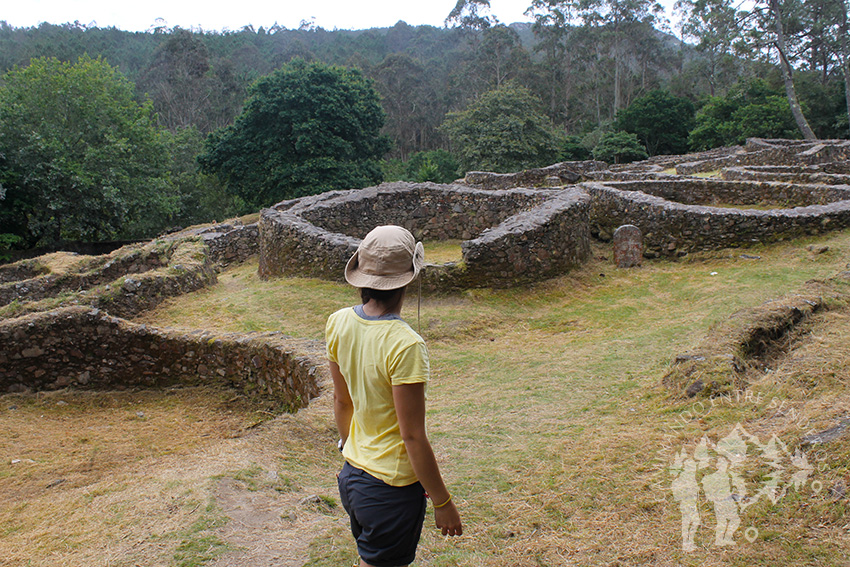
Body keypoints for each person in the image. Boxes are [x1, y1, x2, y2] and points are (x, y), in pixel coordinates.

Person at [326, 225, 463, 567]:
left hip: (353, 479)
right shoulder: (405, 344)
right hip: (390, 489)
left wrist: (350, 449)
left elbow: (343, 402)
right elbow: (412, 435)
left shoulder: (338, 322)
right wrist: (443, 502)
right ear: (408, 280)